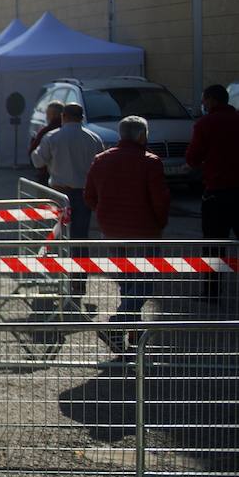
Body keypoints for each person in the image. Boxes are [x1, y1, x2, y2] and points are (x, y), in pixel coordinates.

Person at [85, 116, 170, 335]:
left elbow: (89, 196)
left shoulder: (101, 160)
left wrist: (105, 216)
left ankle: (132, 331)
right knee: (145, 283)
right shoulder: (151, 162)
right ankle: (119, 322)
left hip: (112, 231)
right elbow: (160, 200)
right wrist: (159, 223)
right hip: (144, 231)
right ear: (142, 135)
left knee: (127, 282)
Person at [31, 103, 103, 292]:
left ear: (63, 116)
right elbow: (100, 165)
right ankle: (79, 282)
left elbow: (37, 160)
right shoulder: (93, 138)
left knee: (56, 236)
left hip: (58, 194)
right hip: (83, 193)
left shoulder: (53, 136)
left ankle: (56, 279)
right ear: (81, 117)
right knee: (80, 238)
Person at [187, 84, 239, 242]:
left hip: (217, 192)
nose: (204, 105)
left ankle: (216, 268)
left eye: (204, 101)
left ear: (212, 100)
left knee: (214, 244)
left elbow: (193, 158)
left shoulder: (205, 124)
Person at [27, 101, 65, 186]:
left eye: (47, 114)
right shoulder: (87, 136)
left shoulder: (47, 132)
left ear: (53, 115)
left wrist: (33, 141)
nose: (46, 117)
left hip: (49, 177)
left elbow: (35, 157)